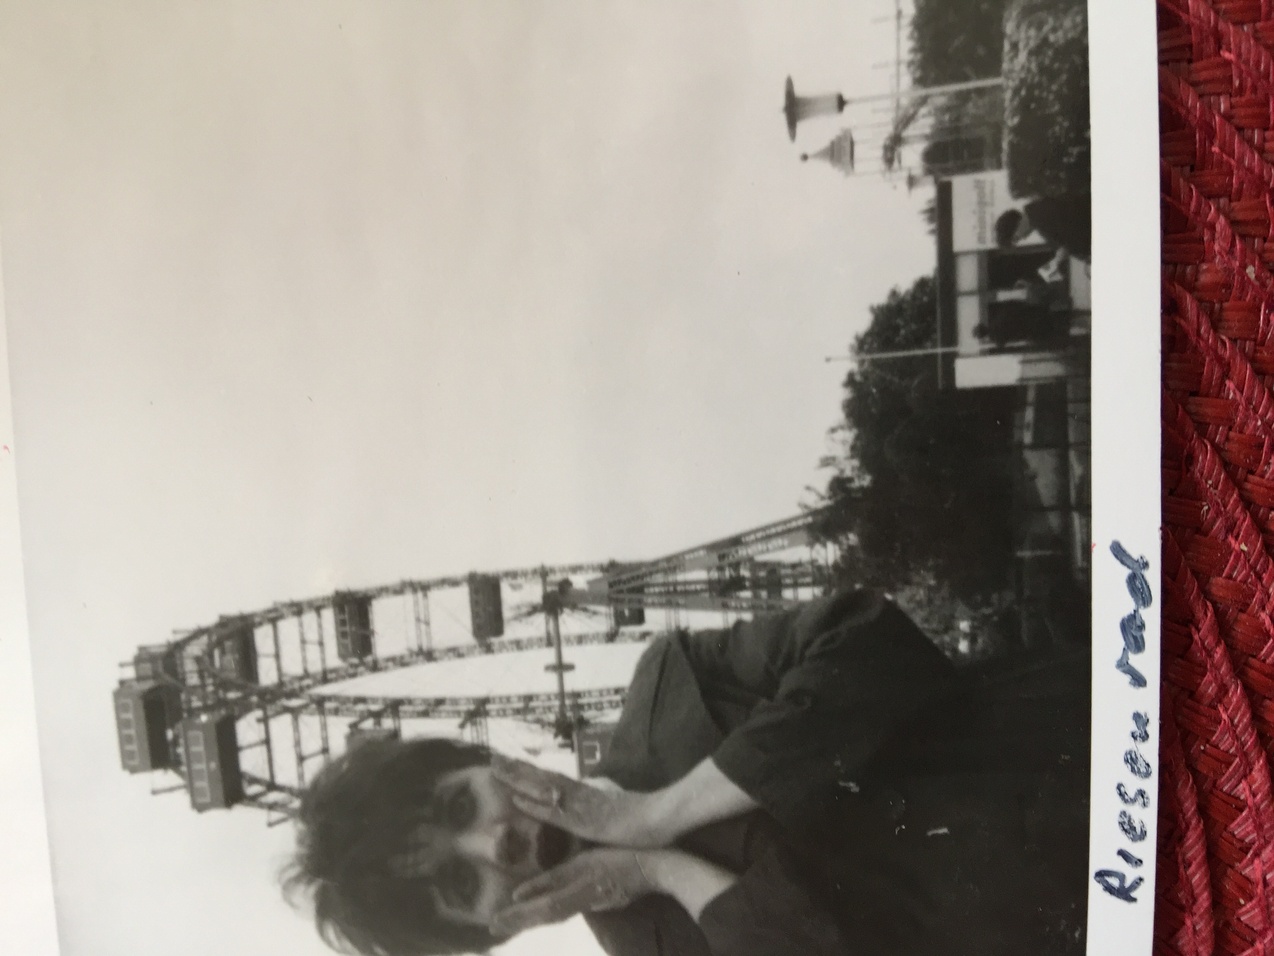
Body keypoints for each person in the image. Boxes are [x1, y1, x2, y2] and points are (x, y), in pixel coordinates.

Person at [284, 589, 1091, 956]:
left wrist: (662, 814)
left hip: (1084, 735)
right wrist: (665, 870)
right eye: (463, 884)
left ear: (487, 760)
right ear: (494, 933)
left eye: (461, 806)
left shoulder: (673, 684)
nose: (495, 843)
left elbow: (872, 641)